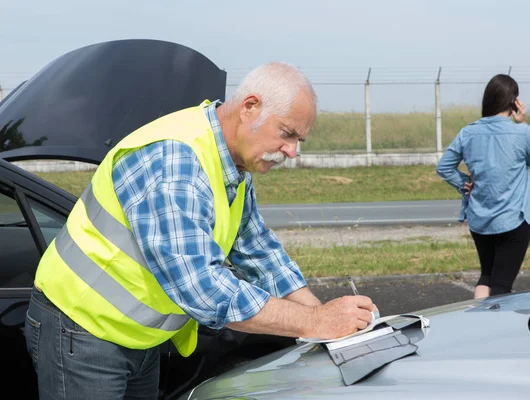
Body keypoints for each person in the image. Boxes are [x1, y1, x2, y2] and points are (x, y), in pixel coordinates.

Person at [24, 62, 376, 399]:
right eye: (287, 133)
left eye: (300, 140)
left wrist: (326, 319)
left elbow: (257, 249)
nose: (292, 151)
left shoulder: (232, 163)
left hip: (138, 337)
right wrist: (313, 321)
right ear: (250, 107)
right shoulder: (176, 159)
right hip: (81, 330)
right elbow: (200, 286)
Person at [436, 74, 530, 299]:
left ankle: (477, 322)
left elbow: (444, 167)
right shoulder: (521, 132)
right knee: (502, 286)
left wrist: (464, 183)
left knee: (486, 275)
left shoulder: (468, 132)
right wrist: (524, 123)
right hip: (514, 219)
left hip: (479, 220)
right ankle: (489, 329)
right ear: (514, 102)